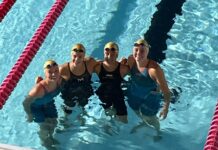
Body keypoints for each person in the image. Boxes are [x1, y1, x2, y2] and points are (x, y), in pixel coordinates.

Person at [123, 39, 171, 139]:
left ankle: (158, 132)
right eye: (136, 50)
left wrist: (165, 107)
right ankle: (144, 123)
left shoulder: (154, 70)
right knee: (135, 109)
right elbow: (127, 73)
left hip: (150, 96)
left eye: (142, 51)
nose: (138, 53)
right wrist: (120, 65)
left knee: (150, 117)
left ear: (147, 52)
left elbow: (166, 91)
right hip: (135, 92)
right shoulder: (131, 60)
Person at [23, 60, 63, 149]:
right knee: (44, 126)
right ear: (45, 73)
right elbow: (25, 102)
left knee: (53, 122)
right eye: (50, 72)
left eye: (56, 71)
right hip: (36, 107)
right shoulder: (38, 90)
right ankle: (44, 142)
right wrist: (29, 114)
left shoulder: (59, 80)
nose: (54, 74)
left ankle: (51, 138)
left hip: (48, 102)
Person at [94, 42, 129, 123]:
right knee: (107, 117)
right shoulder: (98, 66)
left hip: (118, 95)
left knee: (124, 120)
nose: (110, 51)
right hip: (103, 94)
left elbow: (138, 74)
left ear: (117, 53)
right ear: (103, 52)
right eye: (107, 49)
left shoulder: (123, 68)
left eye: (113, 49)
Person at [59, 43, 98, 115]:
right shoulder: (63, 69)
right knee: (68, 110)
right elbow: (51, 80)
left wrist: (119, 64)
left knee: (85, 108)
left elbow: (104, 67)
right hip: (69, 94)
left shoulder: (90, 63)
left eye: (80, 56)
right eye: (74, 56)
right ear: (71, 55)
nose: (77, 59)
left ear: (84, 56)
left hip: (85, 91)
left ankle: (83, 118)